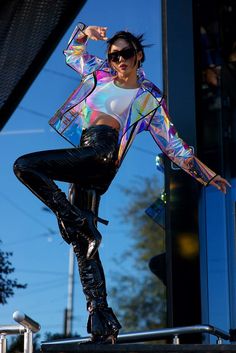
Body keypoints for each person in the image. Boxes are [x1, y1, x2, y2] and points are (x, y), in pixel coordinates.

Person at [13, 23, 230, 344]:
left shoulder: (148, 97)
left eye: (126, 54)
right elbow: (72, 53)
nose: (119, 61)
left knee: (25, 166)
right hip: (83, 156)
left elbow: (173, 146)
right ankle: (102, 320)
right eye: (114, 56)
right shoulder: (98, 74)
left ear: (138, 56)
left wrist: (206, 174)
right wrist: (84, 30)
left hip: (101, 154)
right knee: (80, 244)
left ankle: (80, 222)